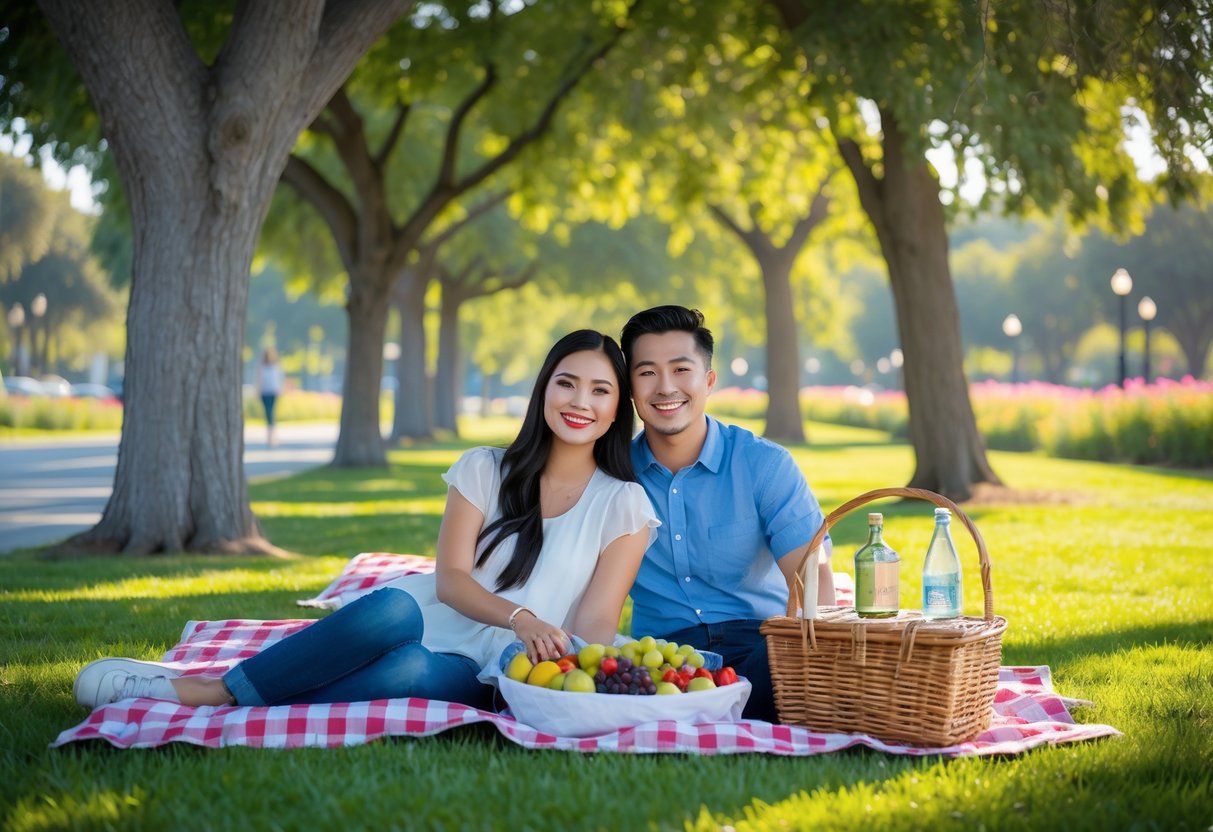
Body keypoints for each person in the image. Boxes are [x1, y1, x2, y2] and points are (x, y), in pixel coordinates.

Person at [73, 330, 659, 711]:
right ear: (544, 391)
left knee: (404, 671)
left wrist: (559, 676)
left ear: (615, 411)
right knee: (392, 607)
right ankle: (208, 689)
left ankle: (218, 694)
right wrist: (520, 614)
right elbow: (451, 579)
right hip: (443, 616)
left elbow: (597, 621)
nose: (580, 401)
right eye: (567, 383)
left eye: (600, 391)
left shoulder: (624, 505)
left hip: (503, 670)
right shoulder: (483, 468)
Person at [620, 305, 834, 723]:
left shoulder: (763, 464)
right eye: (647, 373)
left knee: (774, 678)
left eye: (681, 370)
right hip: (662, 655)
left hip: (759, 643)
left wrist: (809, 659)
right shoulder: (614, 474)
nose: (665, 387)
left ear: (709, 380)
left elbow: (813, 578)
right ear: (631, 387)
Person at [255, 346, 285, 447]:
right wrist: (258, 391)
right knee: (269, 413)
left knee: (271, 413)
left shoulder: (275, 365)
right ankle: (271, 437)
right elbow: (259, 380)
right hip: (265, 392)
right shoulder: (262, 366)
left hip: (273, 392)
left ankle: (272, 436)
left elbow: (279, 379)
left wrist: (280, 390)